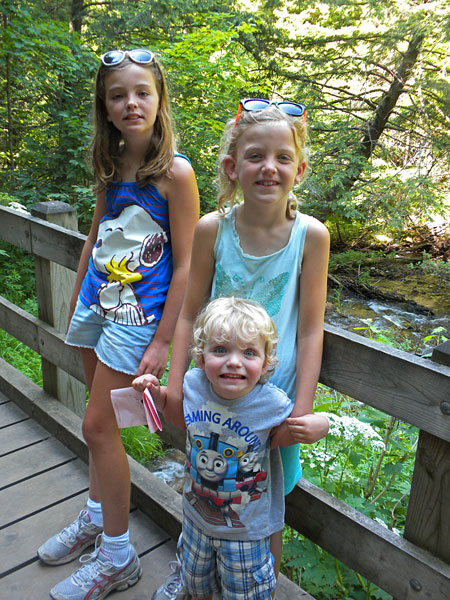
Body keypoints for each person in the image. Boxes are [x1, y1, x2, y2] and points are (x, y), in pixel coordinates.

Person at [37, 48, 199, 600]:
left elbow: (186, 264)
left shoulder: (174, 173)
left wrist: (161, 344)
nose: (131, 103)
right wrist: (79, 299)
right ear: (105, 109)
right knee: (96, 420)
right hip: (97, 303)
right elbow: (95, 233)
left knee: (98, 428)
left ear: (159, 101)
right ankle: (94, 513)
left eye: (142, 92)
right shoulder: (109, 166)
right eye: (117, 95)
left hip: (139, 318)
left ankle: (117, 556)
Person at [159, 98, 331, 599]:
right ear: (233, 167)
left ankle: (260, 587)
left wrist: (301, 409)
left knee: (267, 501)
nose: (268, 167)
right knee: (205, 483)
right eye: (255, 156)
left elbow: (310, 330)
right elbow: (190, 313)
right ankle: (192, 573)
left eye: (282, 157)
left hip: (271, 403)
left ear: (298, 169)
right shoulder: (213, 229)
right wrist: (174, 386)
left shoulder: (311, 237)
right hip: (211, 395)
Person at [134, 296, 295, 599]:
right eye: (220, 350)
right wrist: (155, 392)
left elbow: (291, 431)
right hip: (195, 519)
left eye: (249, 352)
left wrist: (320, 425)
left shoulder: (271, 403)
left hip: (245, 533)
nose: (233, 361)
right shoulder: (194, 384)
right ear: (201, 354)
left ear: (265, 362)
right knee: (197, 585)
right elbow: (172, 407)